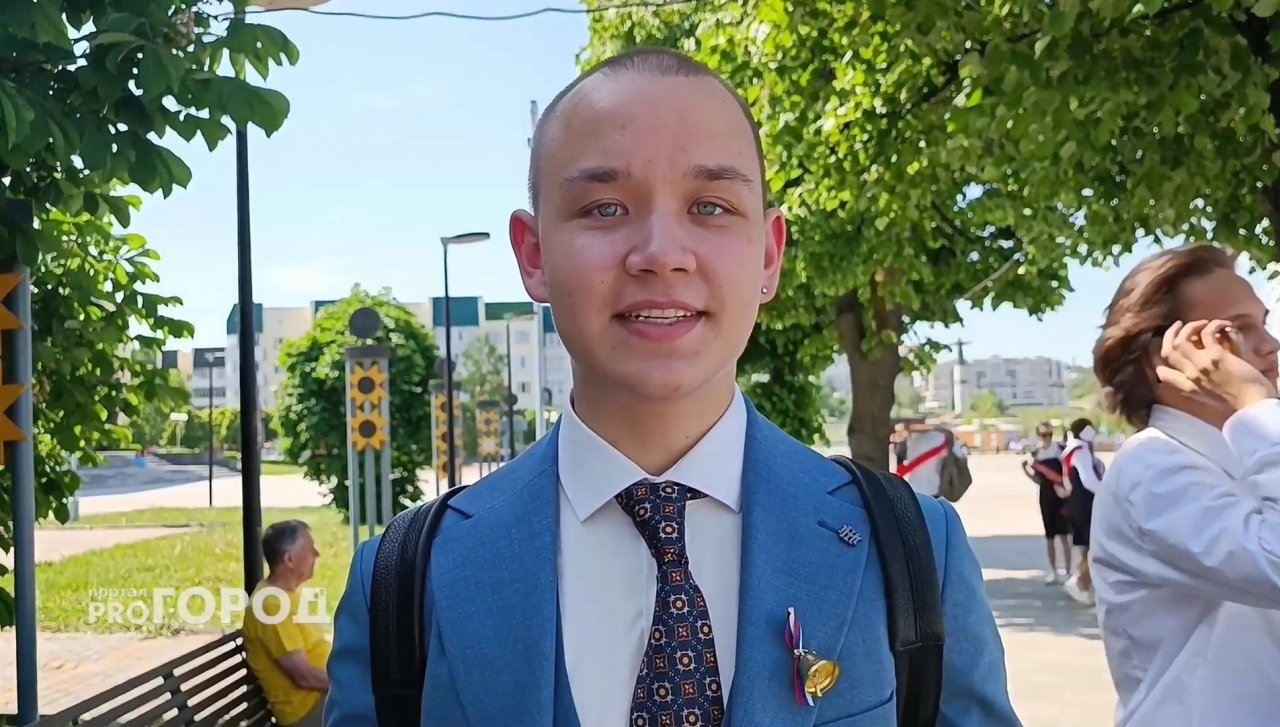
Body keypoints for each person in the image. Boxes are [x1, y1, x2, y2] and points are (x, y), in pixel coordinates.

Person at [325, 47, 1018, 726]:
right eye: (604, 208)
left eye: (710, 206)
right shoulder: (407, 579)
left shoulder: (914, 550)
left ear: (769, 253)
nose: (661, 254)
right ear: (534, 256)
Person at [1089, 243, 1280, 726]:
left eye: (1263, 323)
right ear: (1165, 354)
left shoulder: (1250, 452)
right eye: (1236, 329)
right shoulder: (1151, 468)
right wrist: (1254, 401)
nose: (1270, 344)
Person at [242, 520, 330, 726]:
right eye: (310, 549)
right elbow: (305, 677)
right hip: (308, 712)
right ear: (289, 559)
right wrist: (354, 685)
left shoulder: (284, 596)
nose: (317, 554)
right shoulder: (270, 606)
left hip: (324, 698)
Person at [1057, 418, 1103, 605]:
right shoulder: (1081, 451)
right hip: (1086, 504)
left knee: (1087, 547)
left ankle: (1085, 585)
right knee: (1095, 546)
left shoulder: (1069, 451)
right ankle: (1078, 581)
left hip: (1075, 503)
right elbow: (1089, 481)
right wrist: (1107, 492)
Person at [1022, 422, 1070, 584]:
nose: (1047, 438)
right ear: (1038, 436)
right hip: (1046, 496)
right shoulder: (1036, 454)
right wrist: (1026, 471)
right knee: (1050, 535)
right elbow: (1038, 480)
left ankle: (1068, 571)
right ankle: (1053, 571)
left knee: (1064, 534)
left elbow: (1067, 472)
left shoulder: (1060, 450)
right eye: (1044, 435)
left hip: (1061, 496)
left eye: (1049, 434)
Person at [897, 424, 968, 498]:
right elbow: (961, 457)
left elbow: (908, 457)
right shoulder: (948, 441)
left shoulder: (917, 440)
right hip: (934, 485)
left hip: (914, 485)